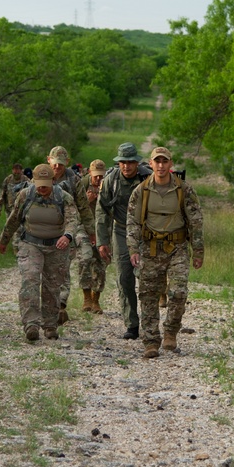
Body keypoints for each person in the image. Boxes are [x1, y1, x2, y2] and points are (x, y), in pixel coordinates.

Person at [126, 146, 205, 358]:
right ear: (150, 164)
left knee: (178, 292)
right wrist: (133, 248)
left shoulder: (184, 190)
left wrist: (198, 251)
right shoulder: (141, 191)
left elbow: (196, 222)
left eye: (165, 161)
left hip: (177, 247)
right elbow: (132, 222)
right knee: (148, 295)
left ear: (170, 164)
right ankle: (151, 341)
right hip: (150, 248)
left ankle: (171, 331)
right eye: (157, 162)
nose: (161, 166)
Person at [0, 163, 82, 341]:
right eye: (39, 183)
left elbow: (73, 219)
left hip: (56, 246)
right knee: (30, 278)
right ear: (33, 181)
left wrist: (67, 236)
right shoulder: (25, 195)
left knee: (52, 286)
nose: (43, 187)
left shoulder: (63, 197)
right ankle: (31, 324)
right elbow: (14, 219)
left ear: (53, 180)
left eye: (46, 183)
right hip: (31, 243)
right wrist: (4, 240)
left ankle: (50, 324)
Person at [96, 142, 152, 339]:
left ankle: (150, 323)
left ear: (136, 162)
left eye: (130, 162)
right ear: (118, 163)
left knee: (146, 278)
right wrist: (102, 241)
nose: (127, 167)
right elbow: (102, 212)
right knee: (124, 278)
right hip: (120, 231)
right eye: (123, 163)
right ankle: (132, 325)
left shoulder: (148, 179)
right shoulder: (111, 180)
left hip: (145, 233)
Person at [47, 145, 91, 325]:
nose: (57, 167)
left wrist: (91, 230)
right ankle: (49, 305)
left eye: (61, 164)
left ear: (67, 163)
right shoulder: (40, 177)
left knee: (63, 266)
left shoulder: (74, 181)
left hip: (69, 228)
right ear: (48, 160)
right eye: (54, 164)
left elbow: (83, 207)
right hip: (45, 228)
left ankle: (61, 305)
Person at [77, 159, 108, 313]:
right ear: (89, 173)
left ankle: (96, 299)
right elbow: (71, 210)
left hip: (102, 229)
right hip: (84, 228)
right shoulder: (81, 184)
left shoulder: (108, 185)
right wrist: (86, 201)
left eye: (101, 176)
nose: (98, 179)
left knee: (101, 264)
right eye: (96, 176)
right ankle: (86, 297)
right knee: (85, 258)